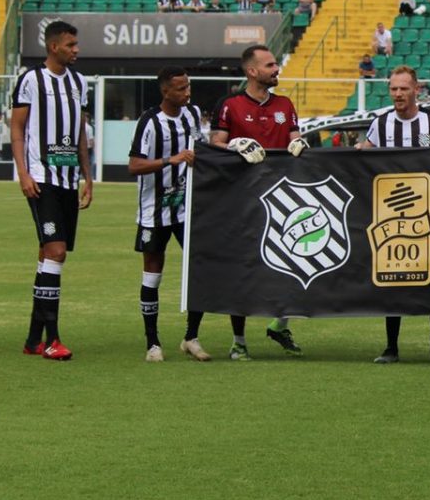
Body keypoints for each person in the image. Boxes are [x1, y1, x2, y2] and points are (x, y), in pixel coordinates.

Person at [209, 45, 308, 360]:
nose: (276, 68)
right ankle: (238, 341)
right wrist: (234, 144)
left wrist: (300, 143)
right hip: (242, 201)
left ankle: (280, 325)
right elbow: (215, 145)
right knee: (243, 270)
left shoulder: (285, 104)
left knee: (296, 265)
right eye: (270, 64)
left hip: (282, 200)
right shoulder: (230, 106)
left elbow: (294, 137)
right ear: (252, 71)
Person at [356, 66, 430, 364]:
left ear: (416, 90)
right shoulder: (381, 123)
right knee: (393, 274)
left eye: (403, 88)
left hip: (429, 209)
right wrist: (360, 149)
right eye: (393, 89)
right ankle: (391, 346)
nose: (398, 94)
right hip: (391, 211)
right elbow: (367, 154)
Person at [11, 21, 92, 360]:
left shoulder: (78, 82)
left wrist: (88, 176)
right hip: (41, 177)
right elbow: (17, 129)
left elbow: (80, 134)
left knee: (50, 256)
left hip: (68, 179)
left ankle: (33, 339)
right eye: (71, 44)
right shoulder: (31, 80)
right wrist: (23, 173)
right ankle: (52, 339)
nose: (76, 49)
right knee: (55, 251)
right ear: (54, 46)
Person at [127, 68, 207, 363]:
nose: (187, 93)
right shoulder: (149, 122)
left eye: (188, 87)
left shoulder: (192, 114)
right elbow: (134, 165)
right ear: (165, 92)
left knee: (199, 267)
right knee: (153, 273)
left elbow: (200, 148)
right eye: (181, 89)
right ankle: (153, 343)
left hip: (186, 208)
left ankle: (191, 337)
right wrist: (169, 160)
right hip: (154, 211)